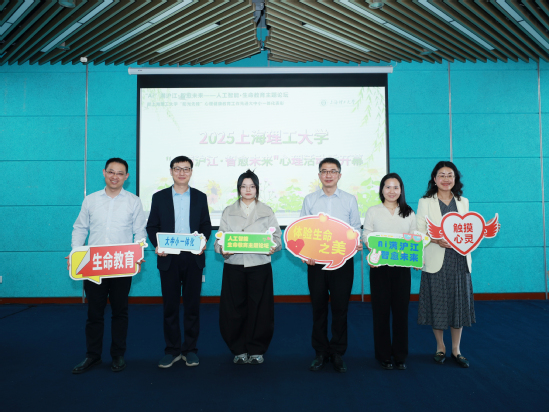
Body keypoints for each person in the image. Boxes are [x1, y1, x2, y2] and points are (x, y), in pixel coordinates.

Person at [417, 161, 499, 368]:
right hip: (436, 259)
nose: (446, 179)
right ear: (434, 179)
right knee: (437, 304)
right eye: (442, 175)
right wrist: (435, 240)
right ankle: (440, 347)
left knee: (458, 305)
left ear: (455, 179)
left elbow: (469, 229)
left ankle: (456, 349)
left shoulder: (463, 201)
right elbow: (419, 231)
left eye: (450, 175)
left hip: (459, 260)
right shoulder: (425, 202)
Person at [69, 157, 147, 374]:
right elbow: (80, 228)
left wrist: (138, 254)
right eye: (111, 172)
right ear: (104, 172)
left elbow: (140, 231)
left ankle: (118, 355)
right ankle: (92, 356)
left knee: (120, 312)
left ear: (126, 177)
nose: (115, 176)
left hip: (121, 264)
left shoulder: (133, 201)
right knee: (94, 313)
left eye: (120, 173)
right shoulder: (91, 200)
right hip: (94, 265)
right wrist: (76, 253)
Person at [146, 156, 212, 369]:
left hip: (193, 257)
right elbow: (152, 226)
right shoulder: (159, 197)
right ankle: (172, 350)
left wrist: (202, 241)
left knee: (192, 306)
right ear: (171, 171)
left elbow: (206, 225)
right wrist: (158, 244)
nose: (182, 173)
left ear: (191, 172)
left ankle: (190, 349)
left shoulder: (200, 197)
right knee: (170, 306)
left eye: (186, 169)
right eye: (177, 169)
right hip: (169, 258)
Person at [300, 157, 362, 373]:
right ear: (319, 175)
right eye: (324, 171)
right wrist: (305, 253)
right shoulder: (310, 200)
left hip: (342, 263)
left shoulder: (349, 200)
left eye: (333, 171)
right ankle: (320, 352)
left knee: (340, 308)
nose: (328, 175)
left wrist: (356, 242)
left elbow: (356, 228)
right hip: (316, 263)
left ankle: (337, 352)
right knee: (318, 308)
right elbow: (302, 231)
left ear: (339, 175)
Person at [215, 170, 282, 365]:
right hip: (234, 265)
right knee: (234, 309)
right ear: (238, 189)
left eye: (252, 186)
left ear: (257, 189)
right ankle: (238, 349)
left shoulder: (267, 210)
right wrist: (222, 249)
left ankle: (257, 349)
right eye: (244, 186)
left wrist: (273, 246)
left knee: (260, 309)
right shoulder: (228, 211)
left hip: (259, 265)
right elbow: (219, 240)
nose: (248, 190)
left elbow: (277, 240)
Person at [362, 173, 416, 371]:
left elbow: (414, 237)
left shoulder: (409, 212)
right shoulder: (373, 211)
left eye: (396, 187)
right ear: (382, 189)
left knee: (401, 313)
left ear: (401, 190)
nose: (391, 191)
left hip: (402, 269)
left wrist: (417, 257)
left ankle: (400, 355)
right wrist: (373, 250)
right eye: (388, 187)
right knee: (381, 313)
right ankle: (384, 355)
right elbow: (366, 234)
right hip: (380, 269)